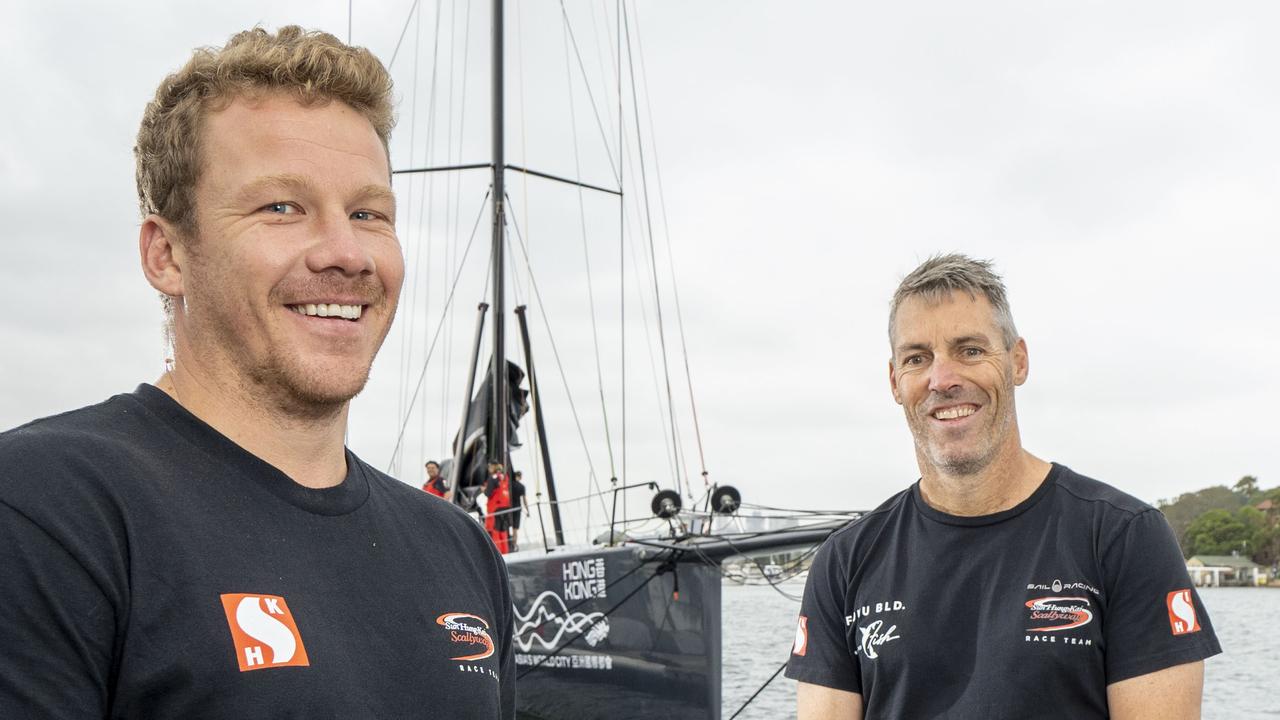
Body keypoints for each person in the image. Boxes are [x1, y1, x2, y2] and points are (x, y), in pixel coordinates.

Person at [0, 27, 513, 719]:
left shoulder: (460, 549)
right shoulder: (48, 510)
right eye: (281, 208)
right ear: (167, 254)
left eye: (368, 213)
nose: (346, 252)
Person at [786, 254, 1221, 719]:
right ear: (895, 382)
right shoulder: (845, 561)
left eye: (970, 350)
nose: (943, 379)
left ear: (1018, 361)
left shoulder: (1124, 537)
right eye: (918, 358)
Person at [484, 461, 513, 553]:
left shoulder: (492, 478)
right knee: (503, 529)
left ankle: (498, 553)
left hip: (495, 507)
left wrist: (484, 489)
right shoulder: (504, 476)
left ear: (493, 467)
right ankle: (505, 551)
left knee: (495, 530)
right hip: (505, 507)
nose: (489, 469)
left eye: (489, 467)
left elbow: (488, 493)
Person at [508, 470, 529, 551]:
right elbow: (524, 500)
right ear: (520, 477)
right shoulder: (522, 486)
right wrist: (528, 511)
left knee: (507, 526)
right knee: (515, 529)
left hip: (508, 508)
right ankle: (514, 545)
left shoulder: (510, 485)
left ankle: (508, 543)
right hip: (517, 509)